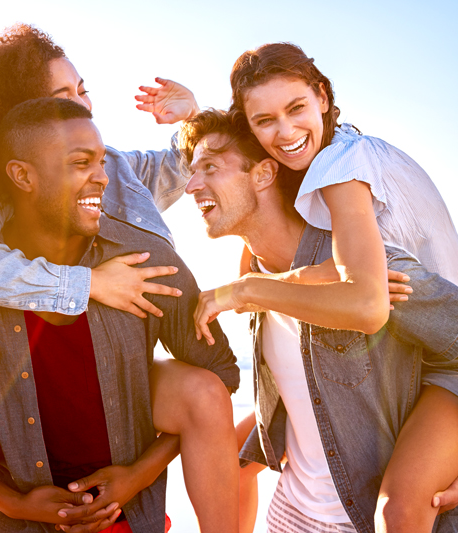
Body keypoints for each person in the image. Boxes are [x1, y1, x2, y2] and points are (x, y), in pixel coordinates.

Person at [0, 97, 240, 533]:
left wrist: (137, 477)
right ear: (22, 175)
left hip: (127, 514)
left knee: (204, 390)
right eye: (80, 162)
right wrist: (17, 504)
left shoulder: (143, 257)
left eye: (102, 162)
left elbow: (223, 373)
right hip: (25, 519)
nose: (102, 177)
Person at [176, 43, 458, 533]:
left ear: (322, 97)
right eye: (265, 122)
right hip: (298, 513)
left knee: (400, 508)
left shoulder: (356, 222)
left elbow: (373, 304)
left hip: (425, 409)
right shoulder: (263, 265)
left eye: (210, 168)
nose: (283, 132)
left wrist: (246, 291)